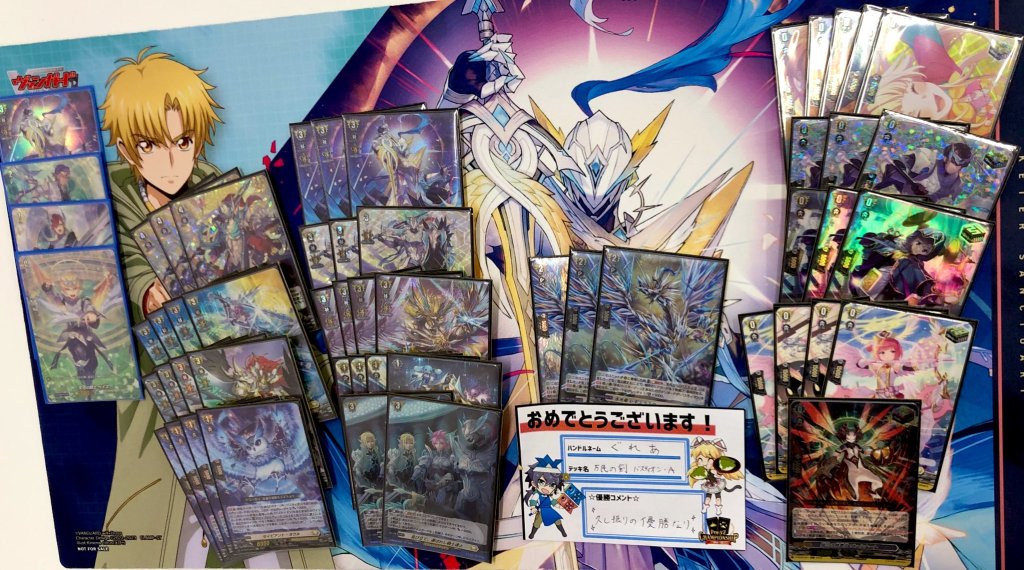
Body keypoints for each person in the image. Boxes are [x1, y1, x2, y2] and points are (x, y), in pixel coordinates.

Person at [100, 47, 223, 321]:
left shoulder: (212, 182)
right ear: (126, 150)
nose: (170, 162)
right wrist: (147, 291)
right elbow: (122, 257)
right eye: (149, 145)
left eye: (183, 142)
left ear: (197, 143)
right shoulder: (114, 193)